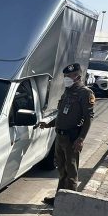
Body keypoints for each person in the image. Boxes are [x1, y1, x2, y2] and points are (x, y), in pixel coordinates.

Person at [38, 63, 95, 205]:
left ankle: (69, 204)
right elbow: (62, 116)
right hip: (60, 137)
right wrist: (48, 124)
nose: (67, 78)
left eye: (70, 76)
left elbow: (88, 118)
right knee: (62, 170)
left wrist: (80, 139)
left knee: (71, 173)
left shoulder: (85, 93)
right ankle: (59, 199)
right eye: (66, 76)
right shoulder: (67, 92)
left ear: (78, 76)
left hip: (72, 138)